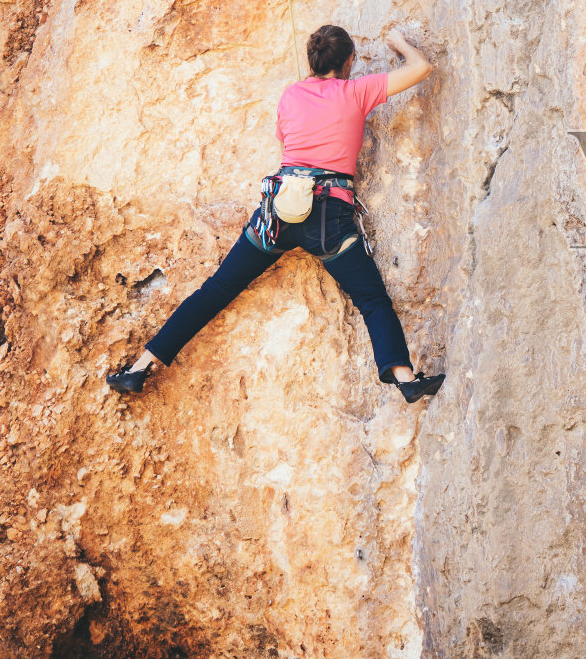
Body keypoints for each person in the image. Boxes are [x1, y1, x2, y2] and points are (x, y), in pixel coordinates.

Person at [106, 25, 446, 403]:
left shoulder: (291, 94)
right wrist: (398, 43)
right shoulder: (356, 91)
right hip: (327, 218)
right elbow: (422, 67)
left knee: (216, 290)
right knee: (371, 299)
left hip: (278, 212)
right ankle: (404, 377)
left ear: (313, 61)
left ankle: (139, 368)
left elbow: (283, 140)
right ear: (349, 61)